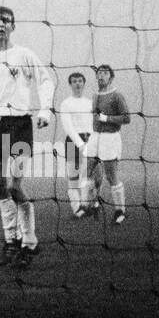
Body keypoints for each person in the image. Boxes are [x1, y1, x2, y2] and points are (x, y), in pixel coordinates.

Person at [0, 6, 53, 270]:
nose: (1, 24)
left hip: (20, 124)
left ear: (13, 26)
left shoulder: (24, 54)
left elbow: (46, 80)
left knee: (15, 185)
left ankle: (29, 239)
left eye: (6, 20)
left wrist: (45, 109)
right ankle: (10, 242)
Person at [88, 64, 131, 225]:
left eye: (105, 73)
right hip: (95, 137)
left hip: (110, 138)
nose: (101, 76)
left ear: (111, 77)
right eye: (99, 73)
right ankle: (94, 203)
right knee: (86, 171)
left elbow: (127, 118)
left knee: (111, 175)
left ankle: (121, 210)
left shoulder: (117, 96)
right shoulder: (94, 95)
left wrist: (107, 119)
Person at [58, 71, 94, 218]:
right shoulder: (66, 103)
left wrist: (91, 142)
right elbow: (68, 127)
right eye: (74, 81)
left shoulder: (90, 103)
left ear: (84, 83)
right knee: (73, 176)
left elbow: (93, 124)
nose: (77, 83)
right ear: (70, 84)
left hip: (90, 141)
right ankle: (76, 207)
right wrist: (80, 144)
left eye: (80, 81)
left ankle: (86, 206)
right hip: (73, 142)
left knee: (86, 176)